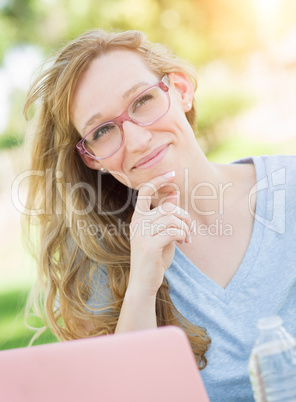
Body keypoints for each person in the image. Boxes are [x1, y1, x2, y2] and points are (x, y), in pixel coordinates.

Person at [23, 29, 296, 401]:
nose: (136, 140)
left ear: (181, 90)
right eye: (102, 131)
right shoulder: (103, 266)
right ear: (91, 158)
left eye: (143, 101)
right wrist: (143, 284)